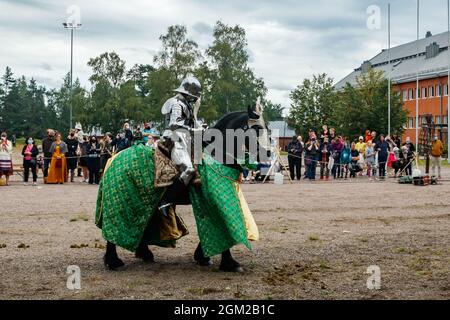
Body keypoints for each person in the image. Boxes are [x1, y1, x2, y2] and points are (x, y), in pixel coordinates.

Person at [161, 76, 203, 186]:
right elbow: (174, 124)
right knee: (188, 170)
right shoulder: (177, 103)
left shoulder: (186, 104)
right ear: (188, 93)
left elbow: (188, 122)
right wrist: (192, 129)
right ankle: (167, 200)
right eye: (194, 96)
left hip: (184, 137)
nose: (195, 99)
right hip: (174, 137)